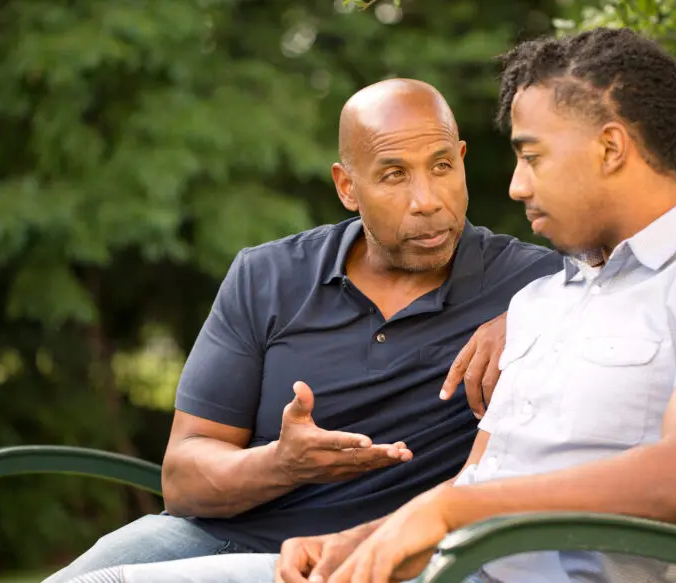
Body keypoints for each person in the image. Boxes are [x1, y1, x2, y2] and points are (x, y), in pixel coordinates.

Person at [275, 27, 676, 583]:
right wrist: (360, 542)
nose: (516, 186)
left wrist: (447, 514)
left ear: (610, 148)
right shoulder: (542, 300)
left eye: (532, 157)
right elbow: (479, 482)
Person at [45, 78, 562, 582]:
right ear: (347, 187)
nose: (427, 200)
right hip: (223, 532)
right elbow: (182, 481)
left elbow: (629, 285)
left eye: (442, 167)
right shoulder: (267, 277)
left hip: (386, 556)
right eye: (393, 174)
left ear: (463, 161)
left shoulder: (536, 286)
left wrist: (531, 313)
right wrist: (284, 465)